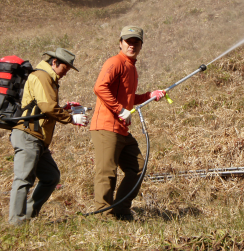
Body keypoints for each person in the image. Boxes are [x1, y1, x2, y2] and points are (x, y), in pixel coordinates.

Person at [90, 26, 166, 220]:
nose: (132, 45)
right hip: (106, 126)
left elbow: (129, 98)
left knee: (138, 167)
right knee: (107, 172)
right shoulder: (115, 62)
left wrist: (150, 95)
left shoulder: (131, 67)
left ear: (141, 45)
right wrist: (119, 109)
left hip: (122, 129)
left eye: (136, 42)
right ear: (120, 43)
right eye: (128, 41)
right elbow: (99, 87)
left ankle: (121, 210)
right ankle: (104, 216)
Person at [9, 47, 88, 226]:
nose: (66, 73)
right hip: (28, 135)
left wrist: (65, 108)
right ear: (55, 62)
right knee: (23, 179)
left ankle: (28, 215)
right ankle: (16, 224)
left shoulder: (48, 78)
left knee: (51, 176)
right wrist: (71, 118)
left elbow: (43, 106)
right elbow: (47, 108)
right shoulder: (42, 76)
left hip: (38, 139)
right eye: (65, 68)